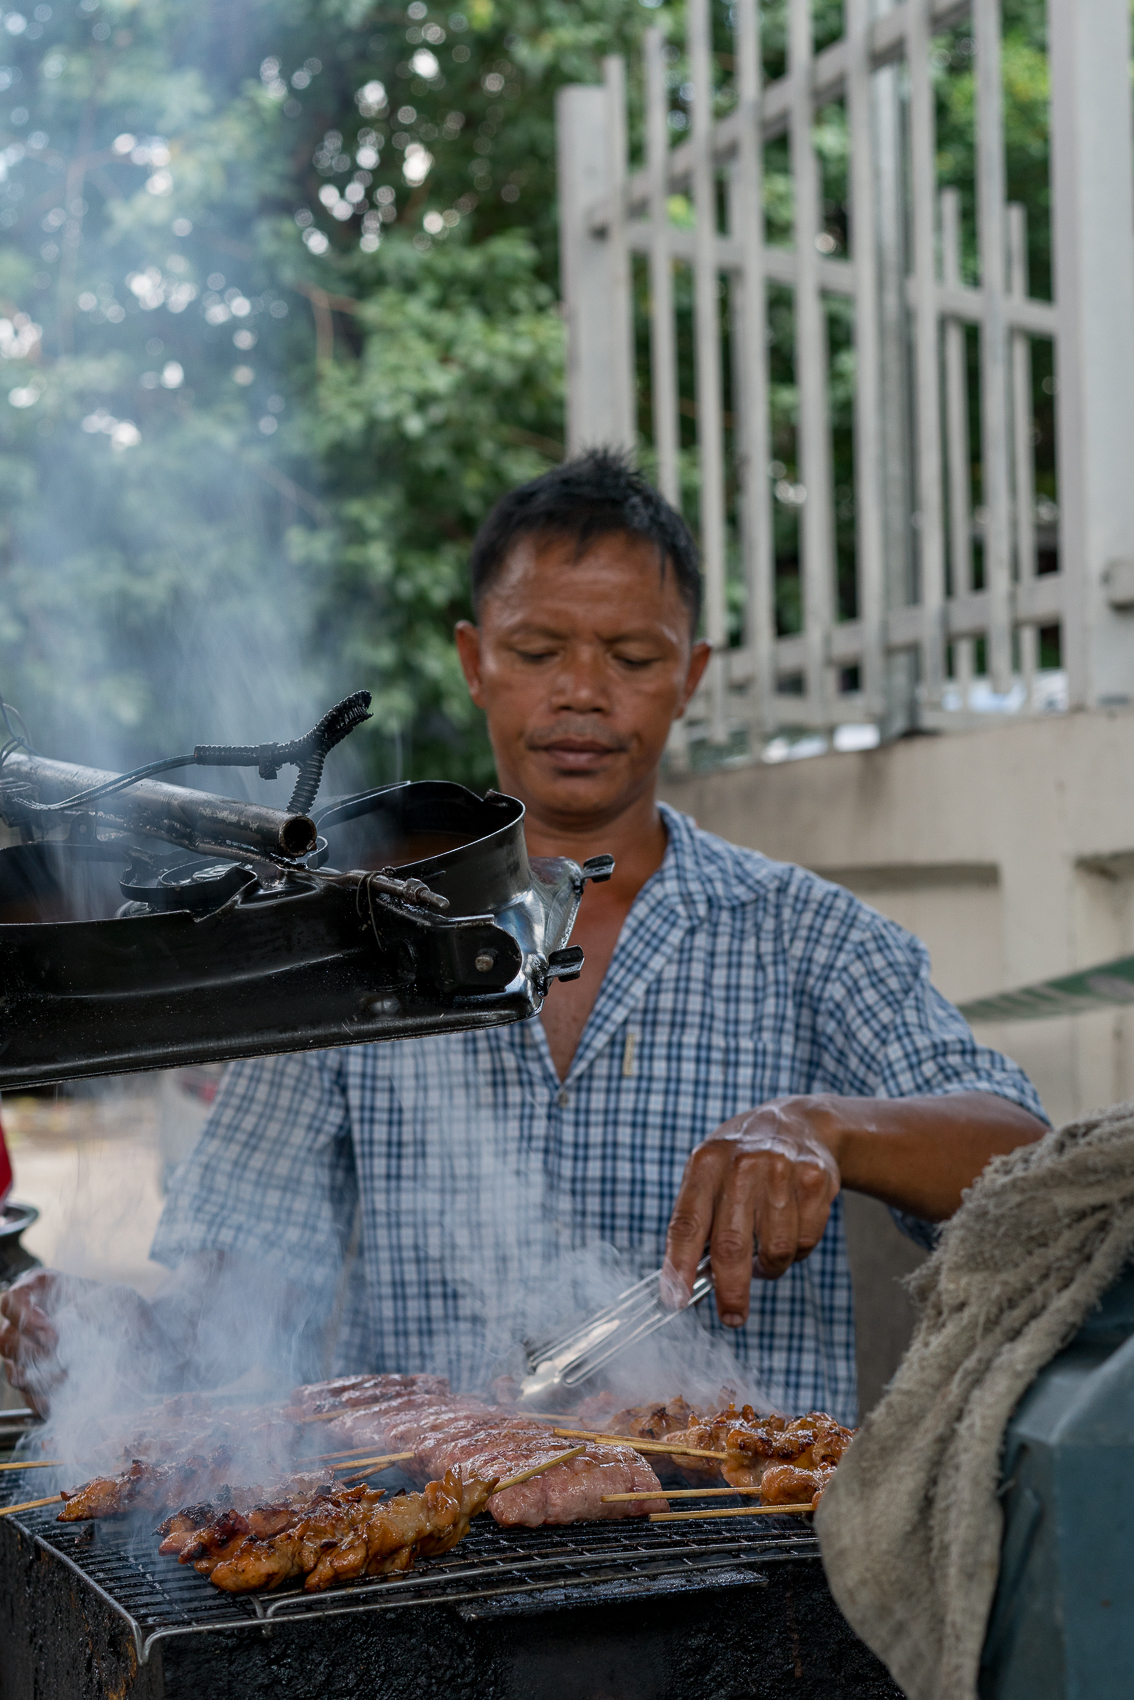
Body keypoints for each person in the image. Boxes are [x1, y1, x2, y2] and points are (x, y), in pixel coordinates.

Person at [0, 450, 1047, 1426]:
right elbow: (242, 1291)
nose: (582, 690)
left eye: (632, 655)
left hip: (747, 1578)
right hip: (427, 1575)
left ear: (691, 672)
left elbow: (1036, 1168)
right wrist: (113, 1337)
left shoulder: (807, 936)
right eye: (538, 649)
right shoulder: (345, 939)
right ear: (474, 659)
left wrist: (831, 1128)